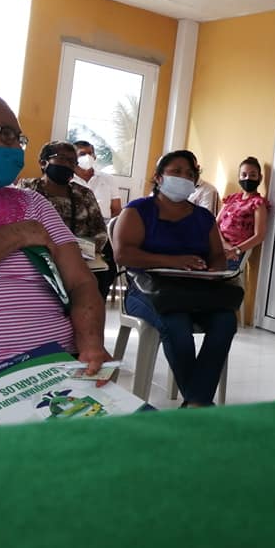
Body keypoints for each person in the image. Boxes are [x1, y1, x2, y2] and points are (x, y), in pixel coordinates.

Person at [0, 88, 108, 422]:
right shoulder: (27, 221)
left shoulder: (32, 204)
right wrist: (16, 234)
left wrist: (90, 343)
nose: (17, 149)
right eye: (4, 134)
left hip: (54, 366)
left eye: (19, 139)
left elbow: (80, 281)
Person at [112, 150, 237, 407]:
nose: (184, 177)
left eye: (190, 174)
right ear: (159, 178)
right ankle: (200, 402)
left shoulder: (203, 217)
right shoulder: (138, 210)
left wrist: (212, 270)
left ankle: (195, 402)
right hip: (147, 290)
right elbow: (123, 254)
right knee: (176, 325)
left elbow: (217, 255)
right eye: (176, 172)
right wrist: (173, 261)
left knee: (225, 321)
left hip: (195, 290)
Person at [17, 141, 114, 300]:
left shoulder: (84, 194)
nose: (68, 165)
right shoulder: (26, 190)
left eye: (72, 161)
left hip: (80, 260)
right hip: (37, 260)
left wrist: (77, 250)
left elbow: (100, 232)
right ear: (43, 163)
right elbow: (16, 228)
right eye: (62, 159)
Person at [217, 156, 270, 268]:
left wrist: (235, 250)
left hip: (234, 253)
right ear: (239, 177)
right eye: (244, 175)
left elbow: (259, 236)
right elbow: (215, 223)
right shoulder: (232, 198)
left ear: (260, 178)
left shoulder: (258, 203)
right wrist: (224, 243)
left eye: (252, 175)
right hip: (217, 245)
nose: (247, 178)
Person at [72, 140, 122, 220]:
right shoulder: (67, 180)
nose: (88, 157)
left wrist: (106, 225)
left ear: (95, 157)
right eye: (82, 154)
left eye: (90, 153)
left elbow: (117, 211)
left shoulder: (109, 179)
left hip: (104, 224)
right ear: (73, 158)